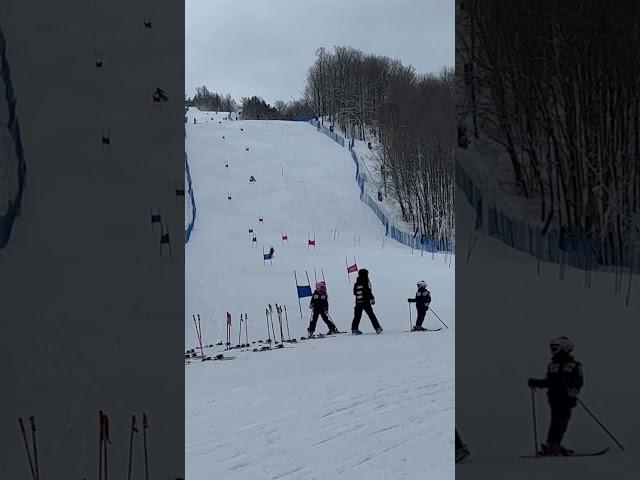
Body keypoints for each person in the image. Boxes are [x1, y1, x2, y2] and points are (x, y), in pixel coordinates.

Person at [528, 336, 583, 456]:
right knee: (556, 421)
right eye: (552, 348)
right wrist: (536, 383)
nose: (552, 351)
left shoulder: (574, 365)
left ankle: (553, 444)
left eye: (555, 348)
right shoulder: (552, 365)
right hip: (554, 398)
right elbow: (549, 381)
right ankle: (552, 445)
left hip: (567, 398)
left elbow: (578, 380)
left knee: (561, 421)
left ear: (565, 348)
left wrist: (574, 388)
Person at [351, 269, 383, 335]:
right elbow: (368, 292)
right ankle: (377, 328)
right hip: (366, 302)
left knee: (357, 316)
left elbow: (354, 293)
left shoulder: (356, 284)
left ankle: (354, 329)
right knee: (371, 315)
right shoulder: (366, 282)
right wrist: (372, 298)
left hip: (358, 302)